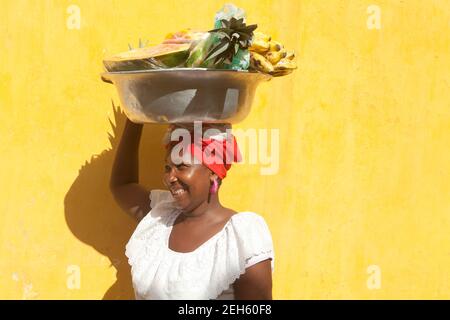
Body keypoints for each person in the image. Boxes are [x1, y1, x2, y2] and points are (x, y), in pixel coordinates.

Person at [110, 119, 275, 300]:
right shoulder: (161, 217)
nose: (169, 178)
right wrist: (134, 115)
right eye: (168, 167)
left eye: (182, 166)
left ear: (212, 171)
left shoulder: (241, 235)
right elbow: (122, 185)